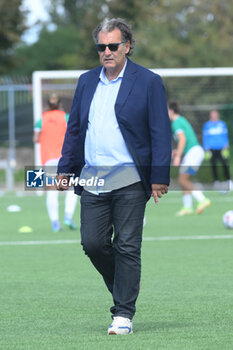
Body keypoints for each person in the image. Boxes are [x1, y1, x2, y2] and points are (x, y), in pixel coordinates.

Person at [57, 18, 171, 335]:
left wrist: (159, 176)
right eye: (101, 47)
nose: (106, 52)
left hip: (131, 178)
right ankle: (122, 289)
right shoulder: (86, 81)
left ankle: (123, 314)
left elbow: (161, 132)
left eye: (113, 46)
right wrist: (66, 169)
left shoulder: (148, 81)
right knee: (92, 243)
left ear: (127, 46)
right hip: (93, 177)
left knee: (127, 246)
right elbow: (75, 129)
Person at [33, 93, 78, 232]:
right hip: (64, 159)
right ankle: (68, 216)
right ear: (59, 104)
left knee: (52, 191)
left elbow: (35, 139)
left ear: (48, 105)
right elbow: (74, 135)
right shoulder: (66, 117)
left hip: (48, 159)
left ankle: (55, 223)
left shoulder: (41, 119)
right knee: (71, 188)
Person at [168, 101, 211, 216]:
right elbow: (186, 140)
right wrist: (177, 151)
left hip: (193, 153)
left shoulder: (176, 123)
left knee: (182, 180)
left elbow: (182, 140)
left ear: (171, 111)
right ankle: (187, 207)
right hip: (194, 152)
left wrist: (177, 157)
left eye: (166, 110)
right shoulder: (181, 120)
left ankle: (202, 199)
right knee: (184, 179)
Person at [203, 109, 232, 190]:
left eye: (215, 114)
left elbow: (225, 136)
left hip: (222, 149)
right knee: (213, 166)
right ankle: (216, 182)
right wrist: (206, 148)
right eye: (212, 114)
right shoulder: (207, 125)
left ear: (217, 115)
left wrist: (226, 146)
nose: (214, 116)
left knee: (225, 165)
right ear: (210, 115)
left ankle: (228, 181)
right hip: (211, 149)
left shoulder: (222, 124)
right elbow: (205, 137)